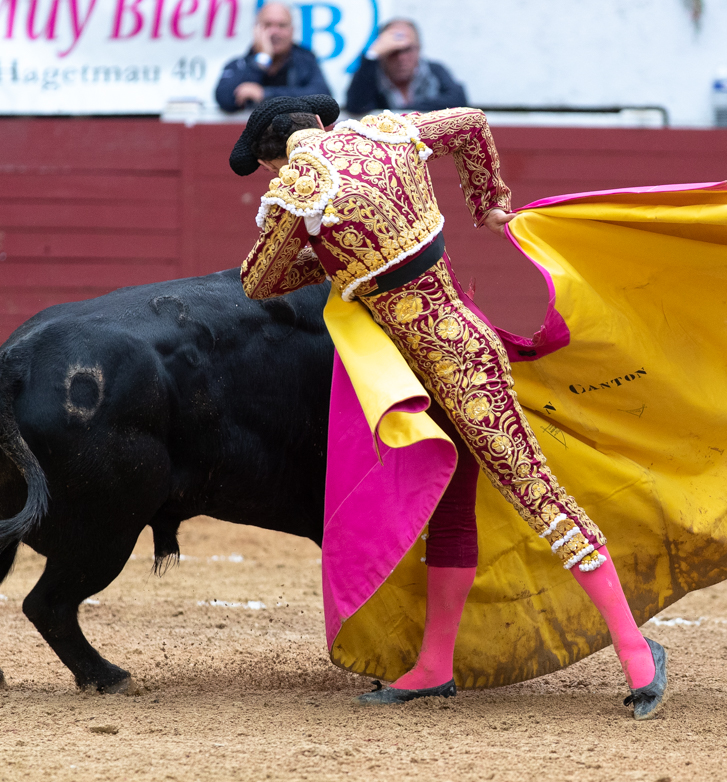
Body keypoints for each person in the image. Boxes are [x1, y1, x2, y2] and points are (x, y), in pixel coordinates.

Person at [228, 95, 669, 718]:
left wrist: (328, 257)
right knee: (459, 506)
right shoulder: (388, 133)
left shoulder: (302, 184)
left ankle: (637, 653)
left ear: (274, 158)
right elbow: (470, 123)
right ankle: (434, 666)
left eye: (269, 169)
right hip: (459, 345)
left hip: (438, 366)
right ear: (322, 123)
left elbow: (258, 281)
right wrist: (488, 202)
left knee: (535, 493)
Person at [214, 2, 331, 113]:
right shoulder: (240, 64)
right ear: (256, 30)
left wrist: (266, 94)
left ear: (292, 31)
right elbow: (225, 99)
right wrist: (262, 59)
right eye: (268, 25)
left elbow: (323, 97)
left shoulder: (305, 60)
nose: (275, 32)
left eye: (282, 25)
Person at [345, 19, 467, 115]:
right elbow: (356, 106)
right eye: (393, 51)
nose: (401, 58)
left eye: (407, 49)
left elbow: (458, 101)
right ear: (383, 52)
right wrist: (372, 55)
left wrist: (401, 112)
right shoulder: (372, 76)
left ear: (418, 48)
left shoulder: (434, 71)